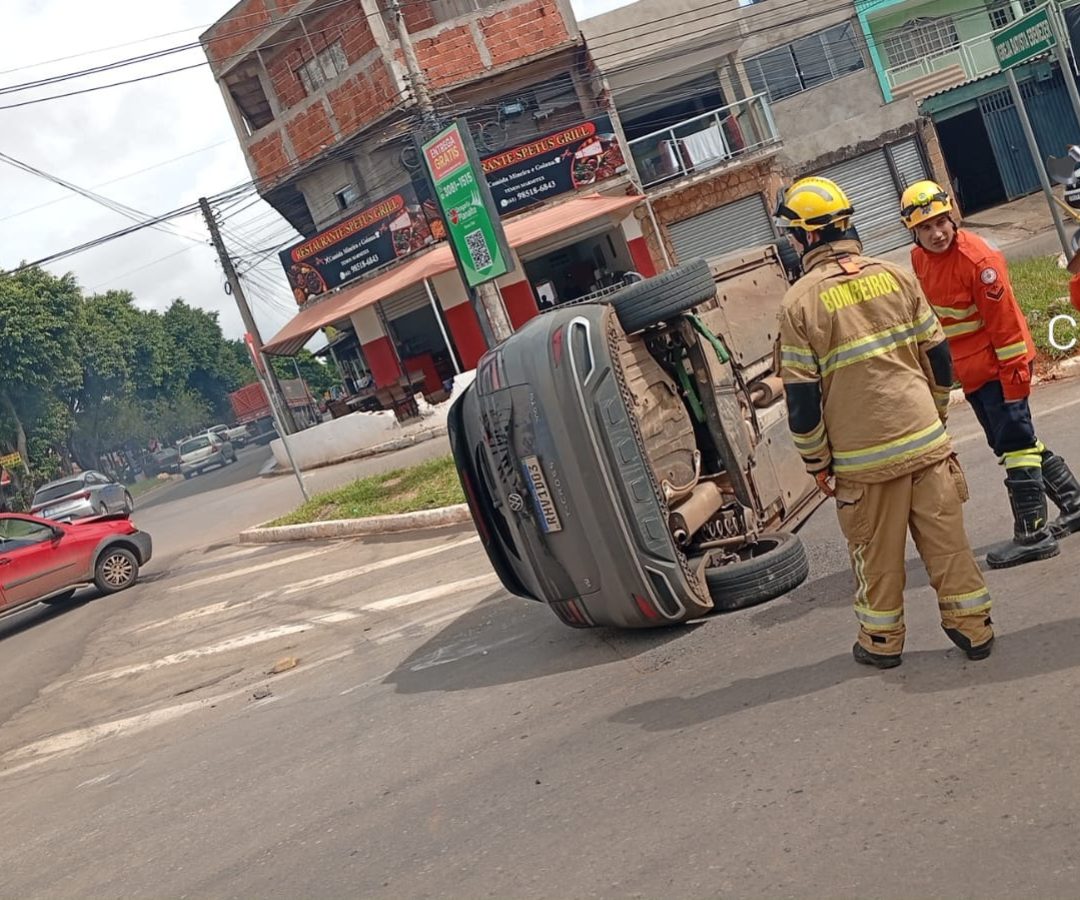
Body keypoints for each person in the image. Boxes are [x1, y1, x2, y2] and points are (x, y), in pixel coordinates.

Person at [776, 176, 993, 668]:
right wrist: (934, 416)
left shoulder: (799, 303)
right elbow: (940, 358)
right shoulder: (896, 275)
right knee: (950, 547)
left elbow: (803, 400)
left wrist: (817, 463)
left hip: (863, 463)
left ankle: (881, 643)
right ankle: (975, 629)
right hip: (927, 444)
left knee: (875, 559)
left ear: (806, 237)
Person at [901, 180, 1080, 569]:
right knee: (1013, 442)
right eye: (925, 227)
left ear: (952, 217)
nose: (936, 233)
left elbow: (1008, 327)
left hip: (1002, 367)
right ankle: (1074, 502)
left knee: (1015, 445)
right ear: (912, 232)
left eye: (940, 223)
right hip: (974, 372)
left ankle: (1033, 535)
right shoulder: (919, 260)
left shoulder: (978, 262)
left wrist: (1015, 380)